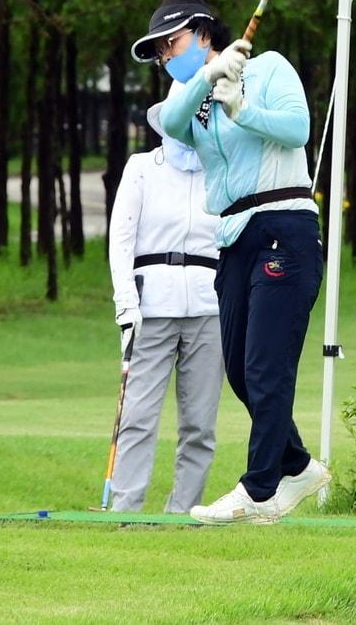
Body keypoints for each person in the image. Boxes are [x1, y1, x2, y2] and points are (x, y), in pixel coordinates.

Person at [130, 0, 328, 525]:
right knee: (240, 370)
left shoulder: (266, 69)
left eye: (170, 45)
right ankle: (299, 464)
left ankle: (259, 489)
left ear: (200, 31)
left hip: (283, 224)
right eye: (158, 56)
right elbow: (169, 122)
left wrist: (243, 105)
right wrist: (209, 73)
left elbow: (297, 130)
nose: (166, 59)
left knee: (266, 365)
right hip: (234, 235)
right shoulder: (194, 97)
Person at [105, 96, 223, 514]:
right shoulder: (141, 167)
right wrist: (125, 302)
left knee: (200, 423)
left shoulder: (221, 168)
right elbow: (121, 239)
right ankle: (126, 509)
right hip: (151, 303)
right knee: (138, 415)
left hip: (210, 305)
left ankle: (182, 512)